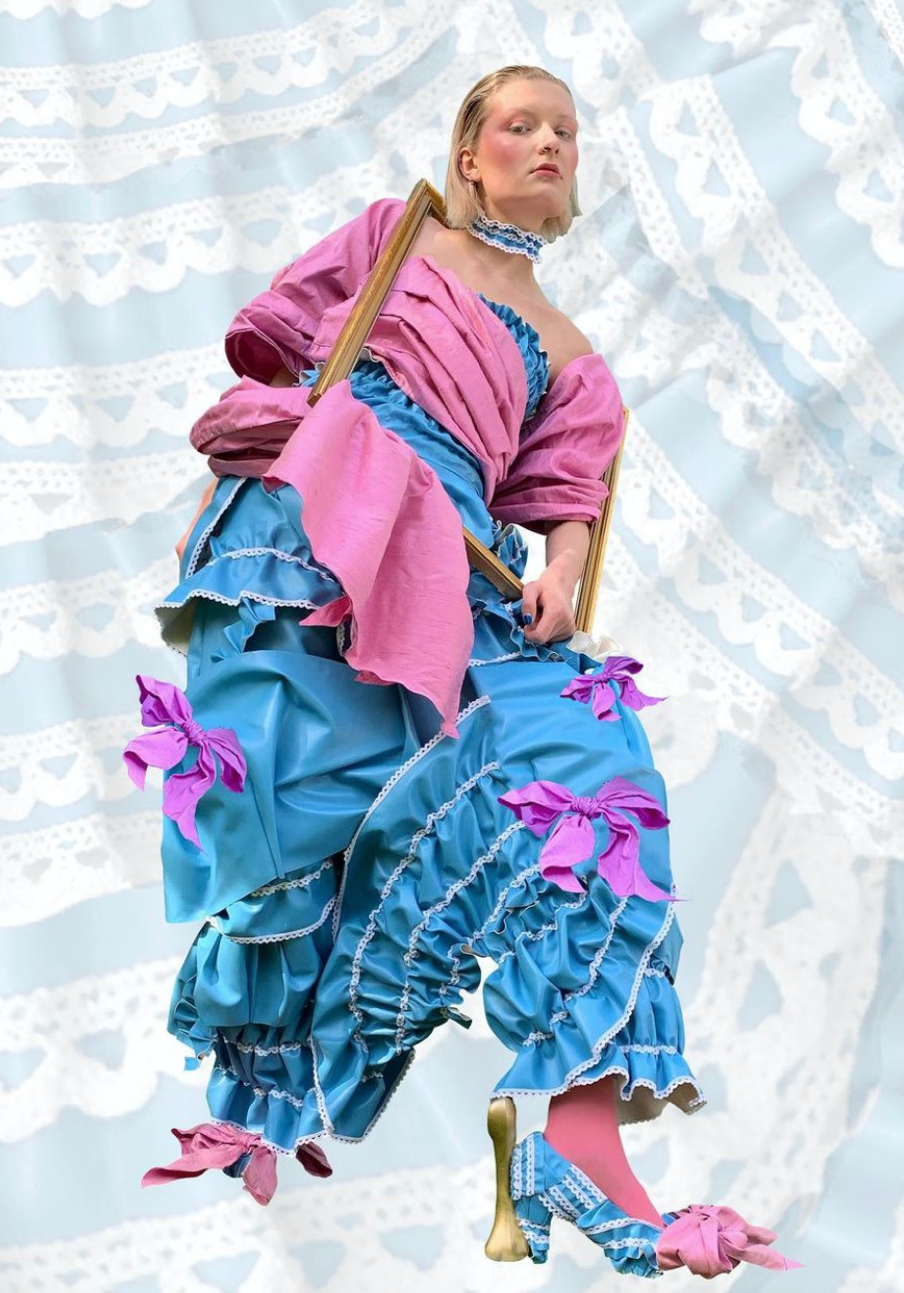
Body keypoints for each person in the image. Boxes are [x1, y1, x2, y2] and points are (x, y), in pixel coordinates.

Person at [126, 66, 802, 1280]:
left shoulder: (573, 354)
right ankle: (266, 1097)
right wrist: (268, 452)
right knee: (301, 823)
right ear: (467, 150)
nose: (547, 143)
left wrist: (563, 575)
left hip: (456, 581)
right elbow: (279, 356)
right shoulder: (397, 237)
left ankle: (574, 1143)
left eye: (565, 131)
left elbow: (569, 505)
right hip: (317, 536)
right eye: (519, 124)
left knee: (599, 783)